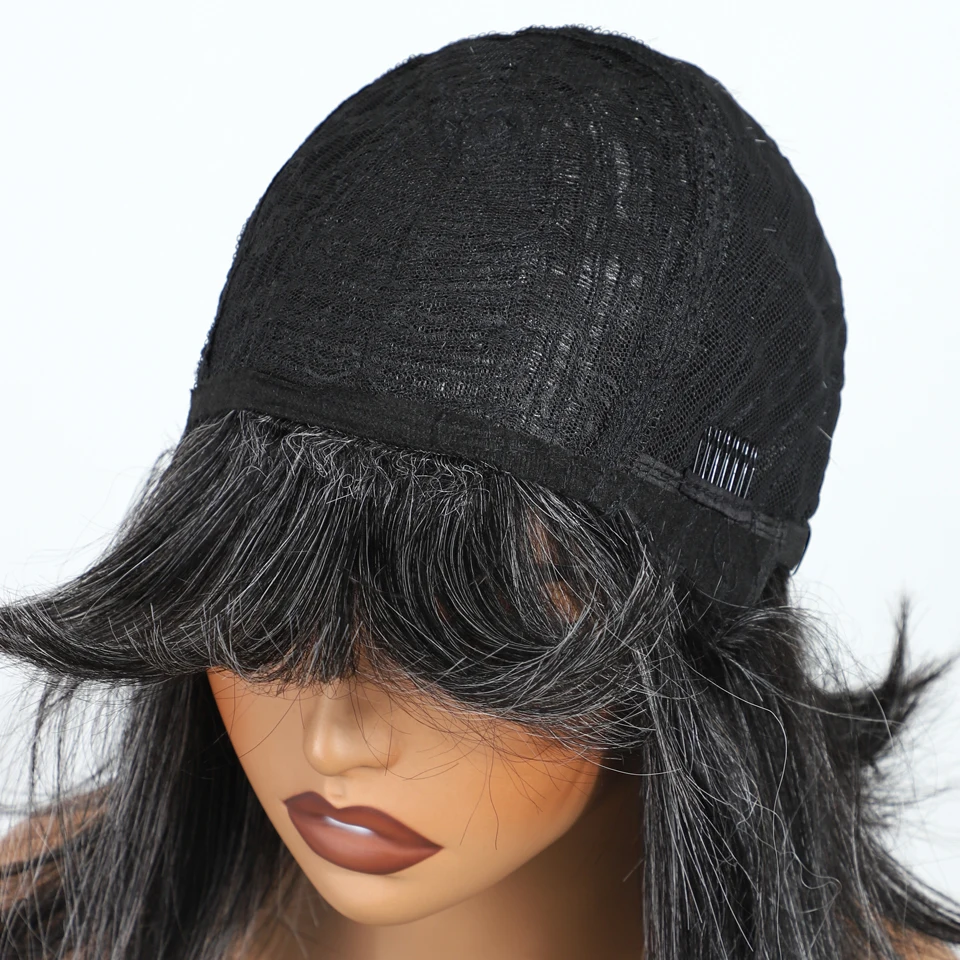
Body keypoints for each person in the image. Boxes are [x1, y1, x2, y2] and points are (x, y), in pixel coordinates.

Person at [1, 23, 958, 960]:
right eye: (267, 608)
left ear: (687, 638)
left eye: (456, 636)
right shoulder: (41, 918)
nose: (335, 738)